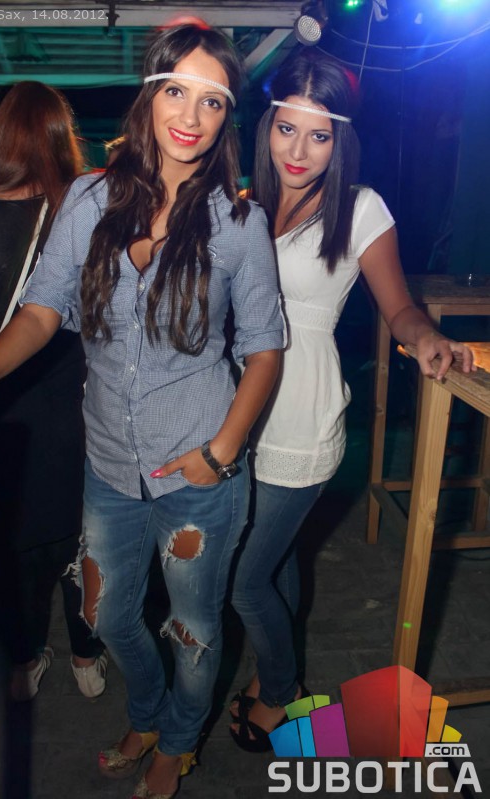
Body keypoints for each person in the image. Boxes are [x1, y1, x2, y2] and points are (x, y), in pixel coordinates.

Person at [0, 24, 284, 799]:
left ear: (225, 118)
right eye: (175, 91)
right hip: (108, 465)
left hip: (198, 469)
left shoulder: (239, 226)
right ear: (148, 97)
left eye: (211, 101)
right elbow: (41, 312)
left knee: (194, 628)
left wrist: (221, 451)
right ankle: (147, 711)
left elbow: (265, 349)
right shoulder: (88, 199)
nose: (190, 116)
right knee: (107, 617)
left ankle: (176, 741)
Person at [228, 49, 474, 751]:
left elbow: (399, 308)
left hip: (301, 414)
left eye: (318, 135)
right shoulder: (241, 205)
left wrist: (425, 336)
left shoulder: (361, 209)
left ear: (340, 141)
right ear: (267, 125)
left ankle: (279, 687)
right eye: (287, 129)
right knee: (275, 561)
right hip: (234, 410)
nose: (298, 150)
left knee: (245, 579)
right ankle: (274, 672)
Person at [0, 80, 108, 701]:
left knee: (5, 549)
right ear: (58, 139)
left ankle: (25, 656)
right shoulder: (81, 213)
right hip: (72, 408)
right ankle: (87, 653)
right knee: (85, 538)